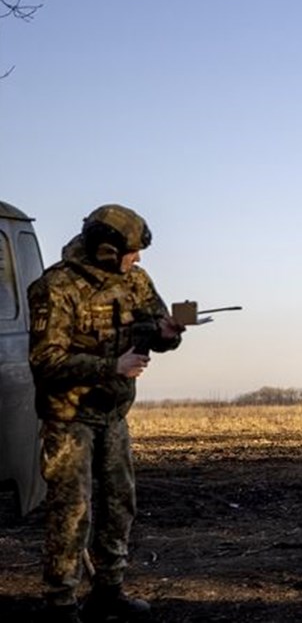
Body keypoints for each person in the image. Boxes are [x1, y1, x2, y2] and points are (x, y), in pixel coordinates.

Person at [28, 204, 184, 623]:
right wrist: (109, 367)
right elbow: (45, 361)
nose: (138, 259)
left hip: (114, 414)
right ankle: (60, 603)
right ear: (106, 249)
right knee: (72, 510)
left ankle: (108, 591)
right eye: (131, 251)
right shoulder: (56, 287)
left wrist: (168, 334)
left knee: (120, 505)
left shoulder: (136, 280)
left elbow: (153, 326)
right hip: (69, 417)